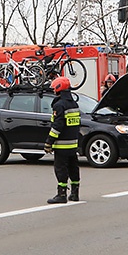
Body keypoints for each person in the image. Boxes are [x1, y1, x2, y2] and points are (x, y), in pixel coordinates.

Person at [43, 76, 80, 204]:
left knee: (61, 169)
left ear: (58, 88)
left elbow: (57, 126)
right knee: (73, 168)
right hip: (73, 144)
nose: (53, 91)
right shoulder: (73, 104)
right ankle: (75, 193)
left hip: (62, 145)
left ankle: (62, 194)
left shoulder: (59, 105)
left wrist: (49, 142)